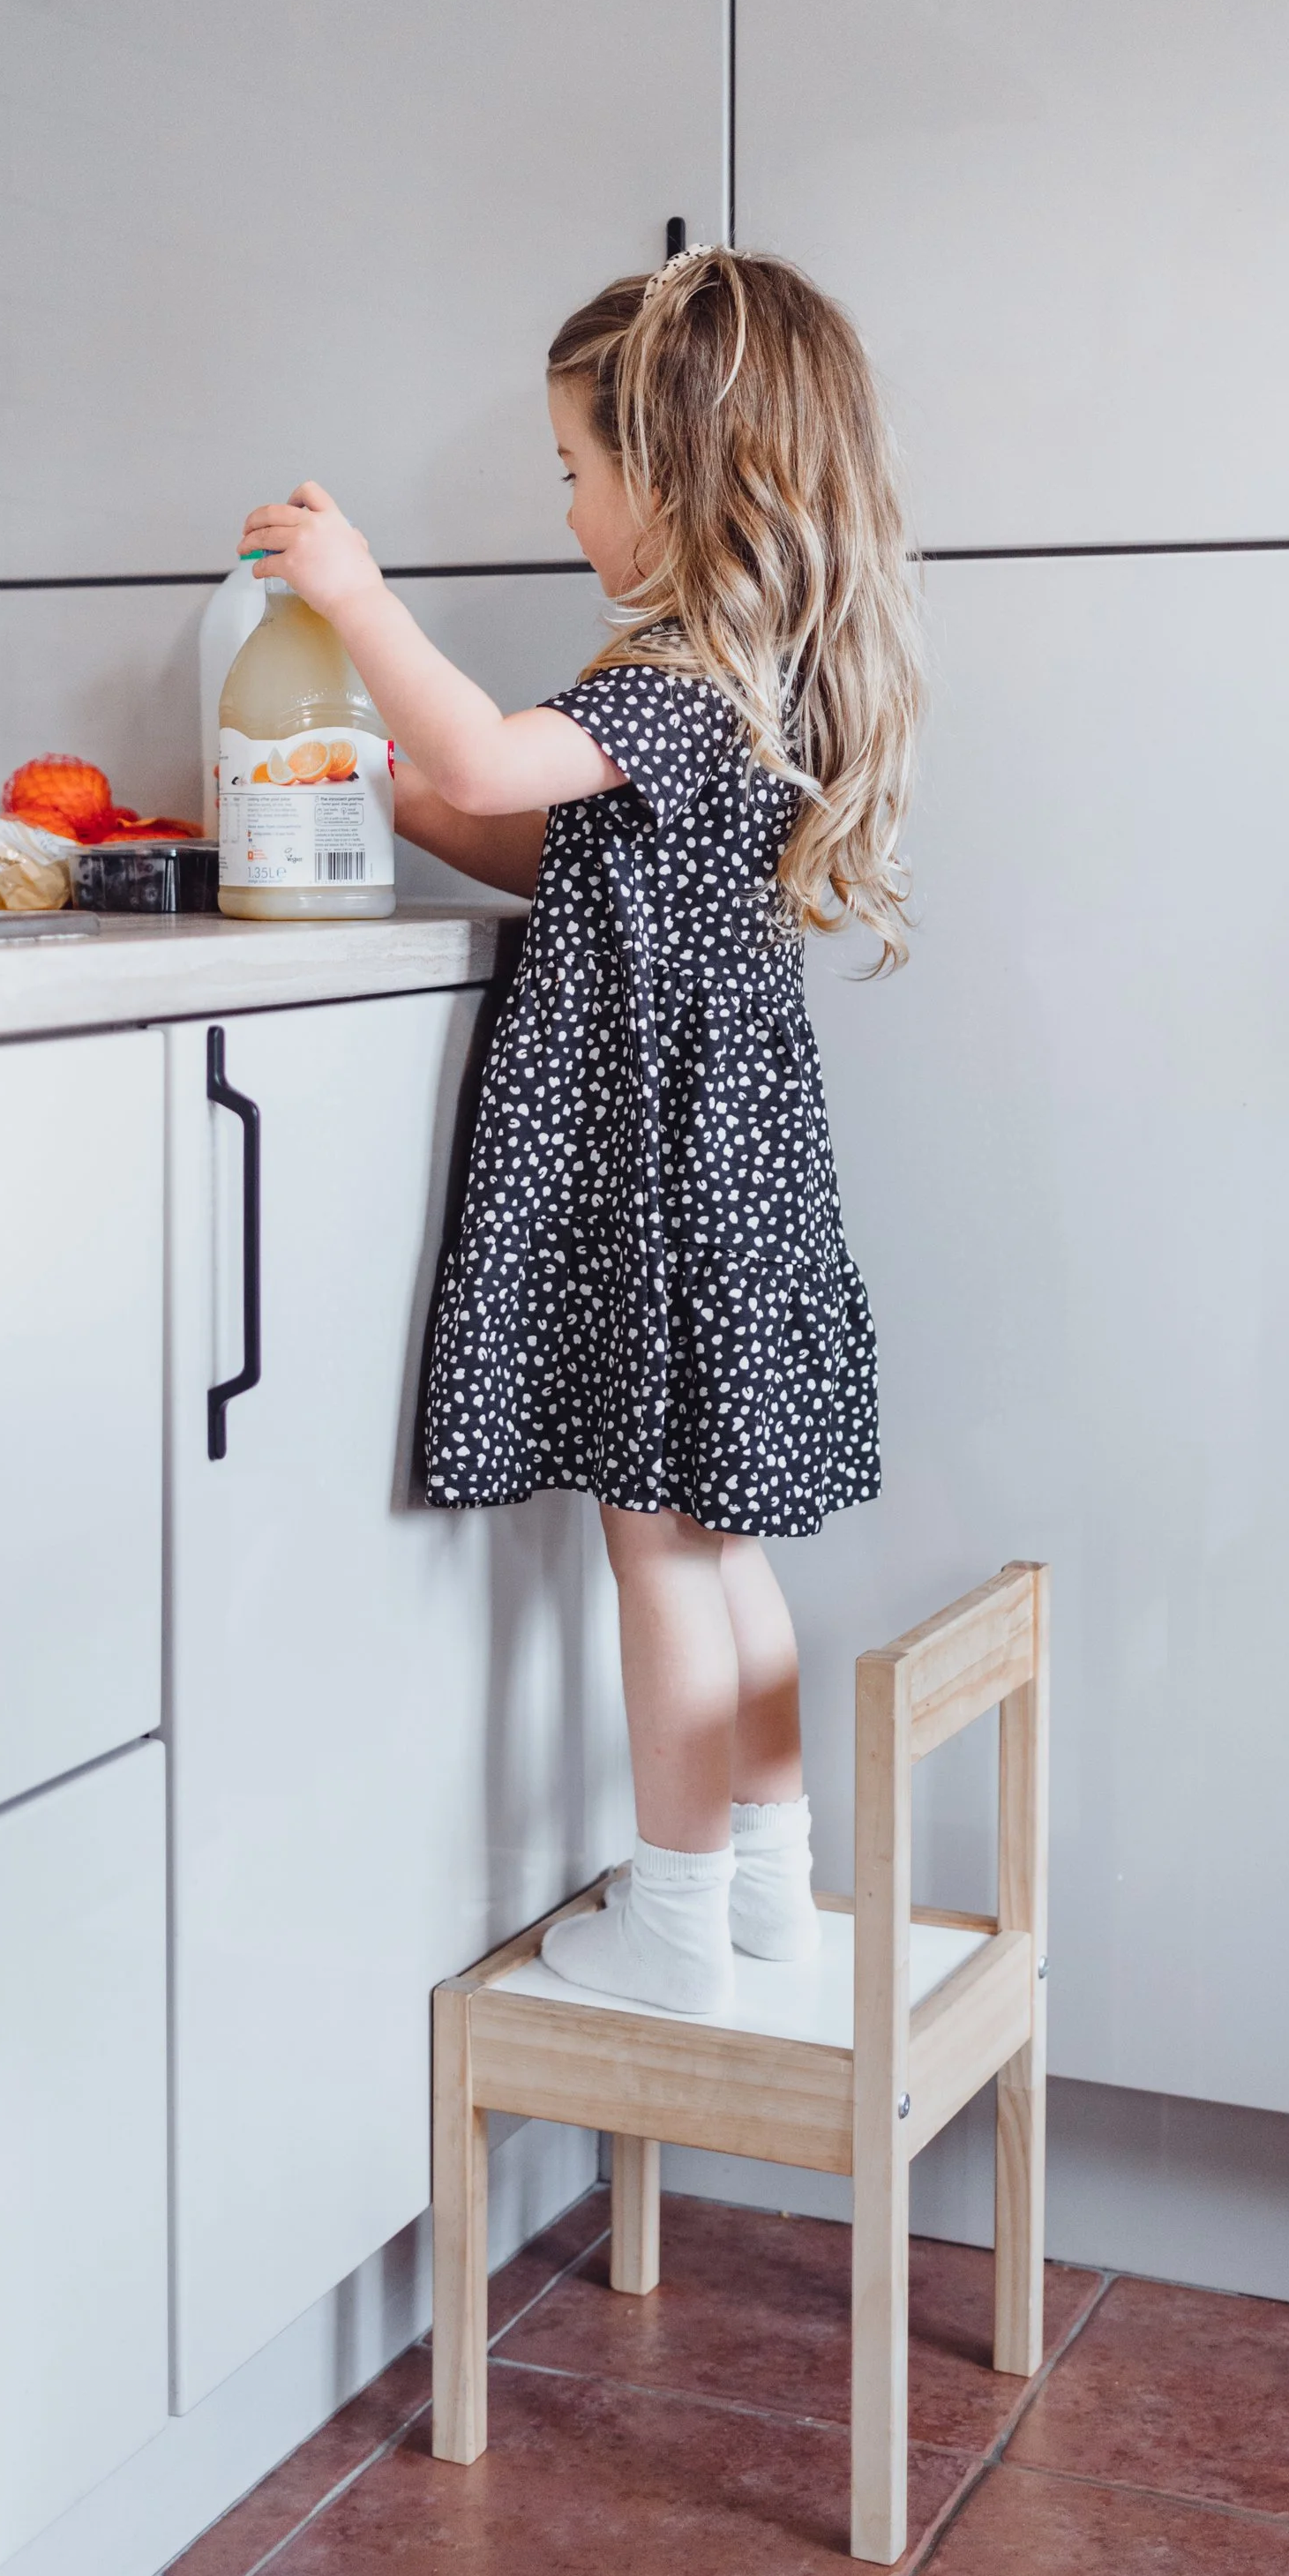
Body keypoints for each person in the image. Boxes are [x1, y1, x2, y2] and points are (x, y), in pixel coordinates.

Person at [238, 244, 921, 2015]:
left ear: (677, 477)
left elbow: (481, 763)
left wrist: (354, 597)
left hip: (664, 1178)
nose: (565, 509)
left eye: (575, 469)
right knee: (716, 1545)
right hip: (720, 1168)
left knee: (652, 1546)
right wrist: (367, 783)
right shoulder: (739, 680)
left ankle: (676, 1913)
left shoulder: (681, 675)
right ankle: (766, 1890)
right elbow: (537, 848)